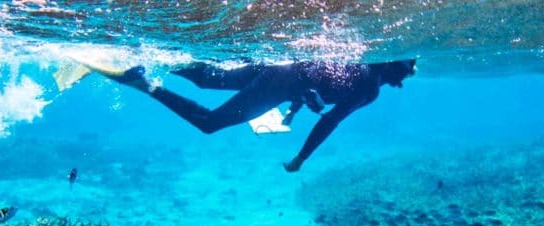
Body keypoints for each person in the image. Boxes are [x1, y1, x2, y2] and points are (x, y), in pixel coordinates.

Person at [102, 59, 417, 172]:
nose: (409, 74)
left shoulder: (355, 61)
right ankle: (143, 84)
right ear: (392, 65)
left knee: (206, 78)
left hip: (278, 67)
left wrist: (293, 111)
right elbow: (329, 120)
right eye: (408, 67)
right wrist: (301, 159)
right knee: (210, 123)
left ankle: (145, 57)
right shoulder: (370, 87)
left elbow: (318, 77)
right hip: (279, 83)